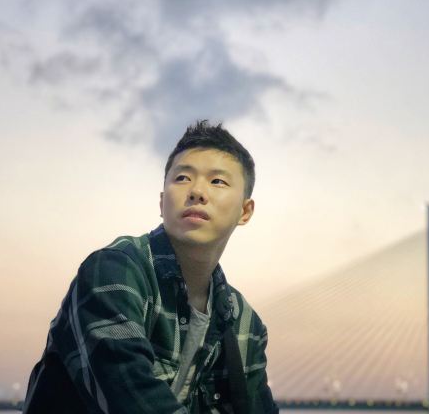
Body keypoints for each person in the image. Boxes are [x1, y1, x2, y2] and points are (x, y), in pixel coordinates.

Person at [23, 119, 279, 413]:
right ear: (161, 202)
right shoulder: (114, 272)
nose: (197, 191)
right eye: (182, 178)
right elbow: (129, 397)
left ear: (245, 211)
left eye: (217, 181)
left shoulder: (244, 322)